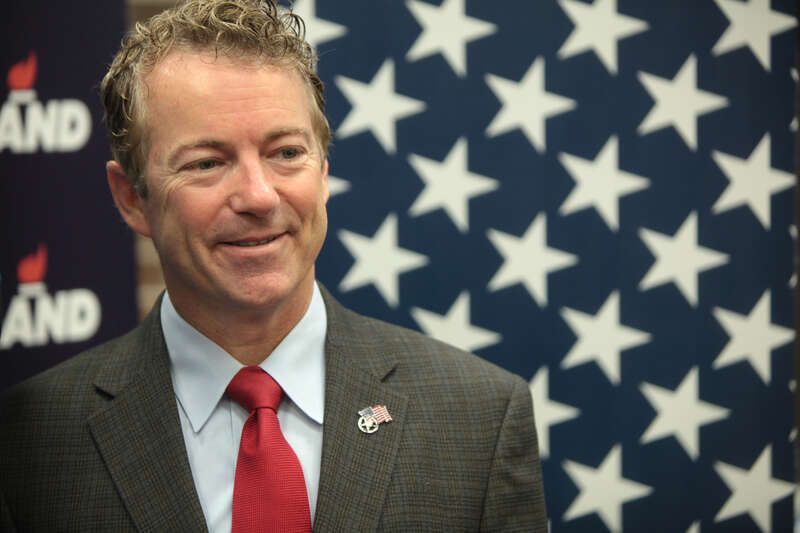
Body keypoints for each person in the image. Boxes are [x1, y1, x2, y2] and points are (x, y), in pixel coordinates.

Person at [0, 1, 547, 531]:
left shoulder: (478, 419)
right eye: (207, 162)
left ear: (324, 173)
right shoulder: (29, 441)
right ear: (132, 200)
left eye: (286, 153)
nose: (259, 197)